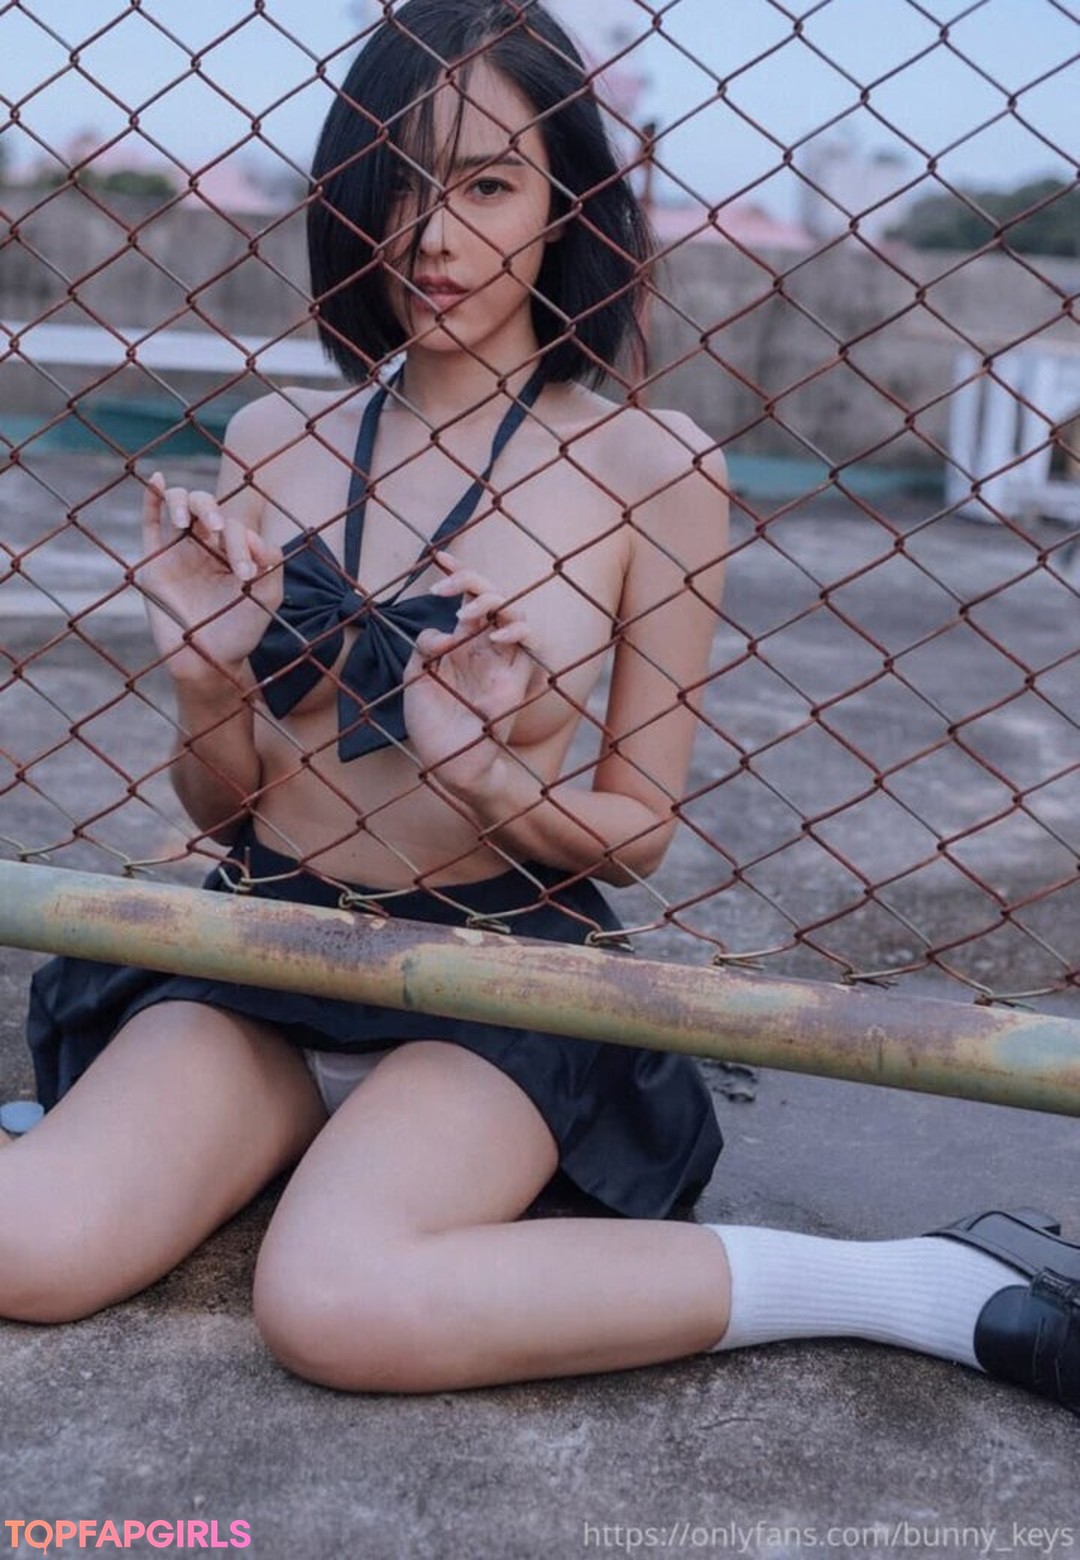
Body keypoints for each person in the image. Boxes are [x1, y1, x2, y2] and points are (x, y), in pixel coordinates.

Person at [2, 0, 1076, 1413]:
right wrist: (206, 680)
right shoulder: (274, 436)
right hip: (265, 934)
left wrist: (490, 780)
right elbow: (224, 806)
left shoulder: (653, 468)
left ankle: (914, 1280)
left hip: (496, 969)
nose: (432, 236)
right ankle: (258, 1139)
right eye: (395, 181)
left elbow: (637, 828)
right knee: (30, 1249)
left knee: (337, 1306)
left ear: (568, 197)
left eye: (489, 184)